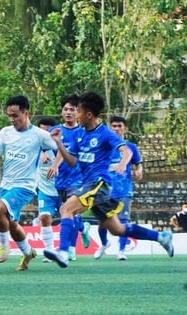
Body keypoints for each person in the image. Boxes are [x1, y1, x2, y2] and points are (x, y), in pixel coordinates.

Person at [43, 91, 173, 268]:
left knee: (66, 208)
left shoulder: (104, 133)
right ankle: (161, 237)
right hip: (89, 184)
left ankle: (64, 252)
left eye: (78, 112)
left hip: (99, 184)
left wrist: (122, 164)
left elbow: (126, 151)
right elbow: (72, 161)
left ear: (89, 115)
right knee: (117, 229)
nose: (76, 115)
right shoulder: (79, 134)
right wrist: (58, 143)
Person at [0, 94, 57, 271]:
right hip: (7, 186)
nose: (12, 119)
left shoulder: (40, 135)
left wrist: (57, 162)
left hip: (25, 186)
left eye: (15, 115)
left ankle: (3, 246)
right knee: (11, 224)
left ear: (26, 113)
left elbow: (61, 149)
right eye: (9, 115)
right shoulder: (5, 132)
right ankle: (28, 252)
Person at [47, 95, 91, 261]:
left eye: (72, 109)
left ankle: (69, 249)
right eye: (66, 109)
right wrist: (45, 155)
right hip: (60, 180)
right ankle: (83, 228)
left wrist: (56, 164)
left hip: (78, 179)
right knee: (68, 214)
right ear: (61, 112)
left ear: (77, 112)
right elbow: (45, 145)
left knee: (69, 210)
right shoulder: (56, 131)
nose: (68, 112)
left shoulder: (82, 132)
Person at [94, 116, 143, 261]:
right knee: (102, 222)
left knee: (123, 221)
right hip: (105, 189)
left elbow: (138, 163)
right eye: (113, 126)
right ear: (110, 128)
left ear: (125, 128)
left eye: (119, 126)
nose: (116, 128)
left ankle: (121, 251)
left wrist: (139, 170)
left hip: (123, 190)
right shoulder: (103, 146)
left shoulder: (130, 147)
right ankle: (103, 244)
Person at [35, 117, 62, 261]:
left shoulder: (61, 146)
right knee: (45, 217)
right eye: (42, 131)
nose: (44, 135)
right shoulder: (35, 146)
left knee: (70, 219)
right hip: (45, 190)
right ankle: (50, 250)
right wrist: (39, 153)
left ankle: (69, 248)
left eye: (47, 131)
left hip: (63, 189)